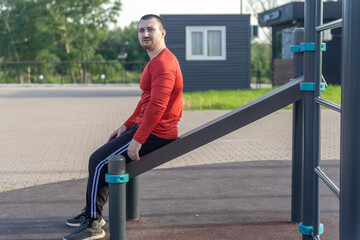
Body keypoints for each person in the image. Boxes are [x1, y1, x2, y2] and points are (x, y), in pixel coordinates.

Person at [63, 14, 183, 240]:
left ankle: (92, 224)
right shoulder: (155, 61)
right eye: (141, 31)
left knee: (98, 161)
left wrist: (137, 139)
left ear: (162, 32)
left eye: (151, 29)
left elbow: (157, 106)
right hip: (148, 127)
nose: (145, 34)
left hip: (157, 132)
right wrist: (126, 125)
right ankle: (91, 212)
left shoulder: (164, 64)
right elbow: (146, 100)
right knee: (103, 159)